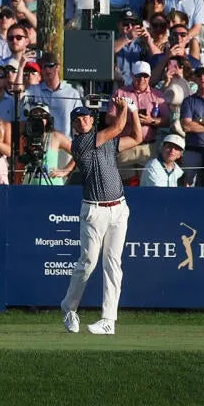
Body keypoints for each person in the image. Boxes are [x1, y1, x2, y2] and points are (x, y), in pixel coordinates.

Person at [60, 98, 134, 336]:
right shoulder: (80, 143)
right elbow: (119, 128)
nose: (82, 122)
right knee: (88, 263)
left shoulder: (107, 142)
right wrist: (123, 108)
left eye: (85, 118)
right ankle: (69, 308)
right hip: (94, 210)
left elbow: (137, 138)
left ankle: (108, 320)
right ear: (74, 126)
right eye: (77, 120)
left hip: (119, 208)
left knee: (114, 264)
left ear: (92, 120)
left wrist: (132, 110)